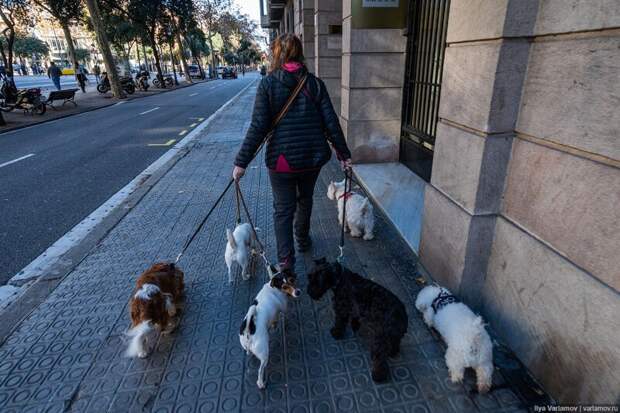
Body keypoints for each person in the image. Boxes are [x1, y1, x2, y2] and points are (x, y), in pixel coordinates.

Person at [232, 33, 352, 274]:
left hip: (282, 160)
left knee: (283, 209)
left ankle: (286, 262)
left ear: (278, 53)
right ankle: (303, 239)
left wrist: (240, 163)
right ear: (300, 53)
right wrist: (344, 155)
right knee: (305, 199)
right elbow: (331, 123)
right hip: (312, 157)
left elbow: (258, 125)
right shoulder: (315, 83)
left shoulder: (267, 84)